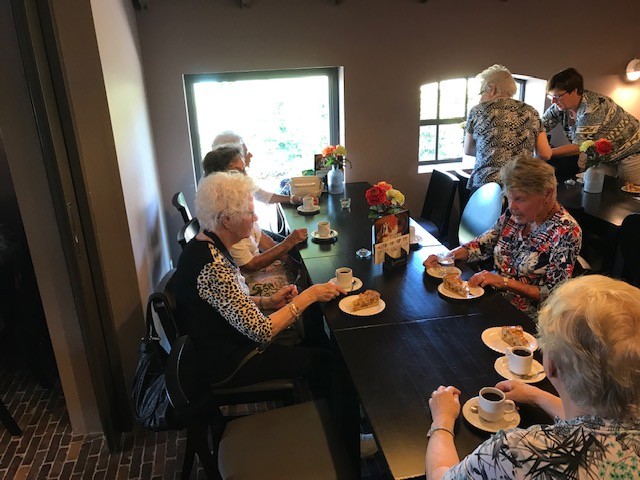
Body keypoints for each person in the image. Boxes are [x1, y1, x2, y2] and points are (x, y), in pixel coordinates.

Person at [425, 275, 640, 479]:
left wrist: (442, 421)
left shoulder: (521, 452)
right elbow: (595, 424)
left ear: (551, 365)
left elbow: (441, 476)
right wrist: (536, 396)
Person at [172, 171, 344, 393]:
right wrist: (311, 294)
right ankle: (326, 409)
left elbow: (227, 301)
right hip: (228, 363)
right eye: (249, 213)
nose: (255, 219)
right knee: (325, 360)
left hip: (226, 343)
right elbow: (262, 331)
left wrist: (267, 302)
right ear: (227, 220)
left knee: (313, 335)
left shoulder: (206, 244)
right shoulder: (212, 266)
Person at [423, 155, 581, 317]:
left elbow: (554, 294)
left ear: (547, 194)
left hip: (525, 316)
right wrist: (447, 257)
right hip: (492, 299)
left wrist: (504, 282)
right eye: (509, 197)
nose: (512, 206)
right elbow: (482, 244)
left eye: (520, 199)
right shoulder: (515, 215)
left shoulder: (566, 231)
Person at [203, 144, 308, 296]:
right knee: (306, 290)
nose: (245, 176)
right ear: (219, 176)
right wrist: (288, 243)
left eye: (244, 170)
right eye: (238, 171)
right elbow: (249, 266)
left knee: (302, 269)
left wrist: (286, 257)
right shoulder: (224, 217)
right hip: (247, 280)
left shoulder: (237, 202)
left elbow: (260, 237)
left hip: (257, 267)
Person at [542, 67, 640, 183]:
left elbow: (578, 146)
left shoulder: (592, 107)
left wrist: (546, 153)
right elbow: (538, 127)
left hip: (632, 152)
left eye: (558, 96)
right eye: (551, 96)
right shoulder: (558, 108)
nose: (553, 101)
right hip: (605, 157)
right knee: (595, 188)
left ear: (574, 91)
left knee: (630, 191)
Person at [464, 65, 551, 192]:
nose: (481, 96)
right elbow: (545, 153)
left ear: (492, 89)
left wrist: (490, 151)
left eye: (482, 92)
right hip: (520, 184)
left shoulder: (478, 111)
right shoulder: (531, 111)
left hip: (486, 185)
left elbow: (468, 150)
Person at [211, 130, 304, 205]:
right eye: (245, 153)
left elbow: (261, 195)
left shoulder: (236, 176)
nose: (250, 155)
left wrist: (293, 199)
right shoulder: (225, 187)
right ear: (231, 161)